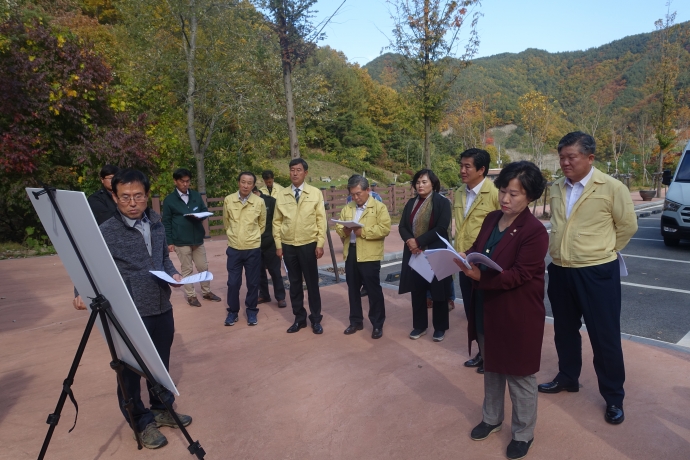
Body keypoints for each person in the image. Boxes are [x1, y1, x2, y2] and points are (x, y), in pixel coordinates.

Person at [73, 169, 191, 450]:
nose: (132, 202)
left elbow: (163, 258)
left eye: (138, 195)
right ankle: (140, 421)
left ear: (147, 195)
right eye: (125, 197)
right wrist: (79, 291)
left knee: (159, 363)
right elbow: (86, 263)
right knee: (129, 370)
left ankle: (162, 407)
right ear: (114, 197)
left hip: (161, 305)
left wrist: (173, 275)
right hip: (127, 311)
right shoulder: (106, 231)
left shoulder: (157, 222)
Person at [538, 132, 637, 425]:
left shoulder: (611, 187)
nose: (565, 163)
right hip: (560, 270)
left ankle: (614, 397)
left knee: (604, 336)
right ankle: (568, 377)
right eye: (562, 157)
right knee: (564, 330)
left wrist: (603, 251)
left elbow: (627, 226)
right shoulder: (556, 187)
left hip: (597, 272)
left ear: (590, 158)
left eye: (572, 157)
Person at [455, 161, 548, 460]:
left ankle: (523, 433)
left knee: (519, 375)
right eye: (503, 191)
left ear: (530, 196)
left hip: (517, 313)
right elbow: (479, 248)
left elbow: (521, 274)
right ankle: (492, 418)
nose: (506, 199)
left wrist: (482, 276)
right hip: (487, 305)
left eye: (514, 194)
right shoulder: (492, 218)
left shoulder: (534, 232)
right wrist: (465, 256)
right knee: (492, 366)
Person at [454, 148, 500, 373]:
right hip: (464, 261)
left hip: (485, 263)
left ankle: (492, 355)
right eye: (461, 165)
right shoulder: (459, 193)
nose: (462, 170)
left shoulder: (495, 194)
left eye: (467, 166)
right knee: (472, 311)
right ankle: (482, 353)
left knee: (489, 312)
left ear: (482, 170)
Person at [273, 158, 327, 334]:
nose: (294, 173)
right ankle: (299, 318)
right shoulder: (282, 194)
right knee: (294, 284)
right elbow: (276, 222)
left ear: (305, 173)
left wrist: (320, 243)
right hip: (288, 246)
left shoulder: (315, 193)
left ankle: (316, 319)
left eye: (298, 170)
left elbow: (321, 220)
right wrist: (279, 245)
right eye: (291, 170)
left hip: (309, 245)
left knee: (312, 284)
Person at [398, 169, 453, 342]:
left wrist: (419, 241)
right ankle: (419, 326)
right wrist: (410, 241)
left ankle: (440, 327)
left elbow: (441, 227)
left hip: (434, 252)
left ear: (433, 184)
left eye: (424, 182)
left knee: (439, 292)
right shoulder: (411, 203)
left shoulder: (442, 202)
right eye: (418, 182)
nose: (420, 185)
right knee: (418, 291)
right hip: (415, 254)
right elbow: (402, 226)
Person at [335, 175, 391, 339]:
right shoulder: (348, 207)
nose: (355, 197)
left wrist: (363, 232)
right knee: (352, 289)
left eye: (358, 193)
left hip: (369, 254)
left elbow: (385, 229)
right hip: (351, 252)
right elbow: (339, 225)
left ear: (368, 190)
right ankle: (356, 321)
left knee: (373, 291)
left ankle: (377, 324)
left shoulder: (379, 207)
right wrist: (343, 230)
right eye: (353, 194)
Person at [162, 168, 221, 307]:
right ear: (175, 181)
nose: (185, 184)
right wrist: (169, 241)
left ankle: (206, 292)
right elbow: (166, 222)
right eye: (182, 181)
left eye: (187, 181)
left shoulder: (195, 195)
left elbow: (204, 211)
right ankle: (191, 296)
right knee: (187, 269)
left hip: (197, 238)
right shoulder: (170, 200)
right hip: (181, 241)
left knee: (203, 266)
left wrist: (200, 216)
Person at [222, 172, 267, 326]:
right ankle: (233, 312)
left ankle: (252, 311)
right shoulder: (228, 200)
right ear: (238, 183)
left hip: (252, 248)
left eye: (249, 183)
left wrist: (251, 237)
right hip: (234, 248)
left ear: (253, 185)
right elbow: (226, 223)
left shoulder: (259, 202)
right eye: (243, 182)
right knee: (233, 282)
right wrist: (234, 236)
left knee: (253, 283)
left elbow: (262, 225)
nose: (246, 185)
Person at [252, 186, 287, 308]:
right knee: (259, 271)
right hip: (255, 243)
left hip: (271, 242)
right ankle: (264, 294)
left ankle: (280, 297)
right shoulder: (248, 202)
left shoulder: (271, 201)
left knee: (275, 271)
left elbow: (277, 221)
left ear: (256, 192)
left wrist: (278, 242)